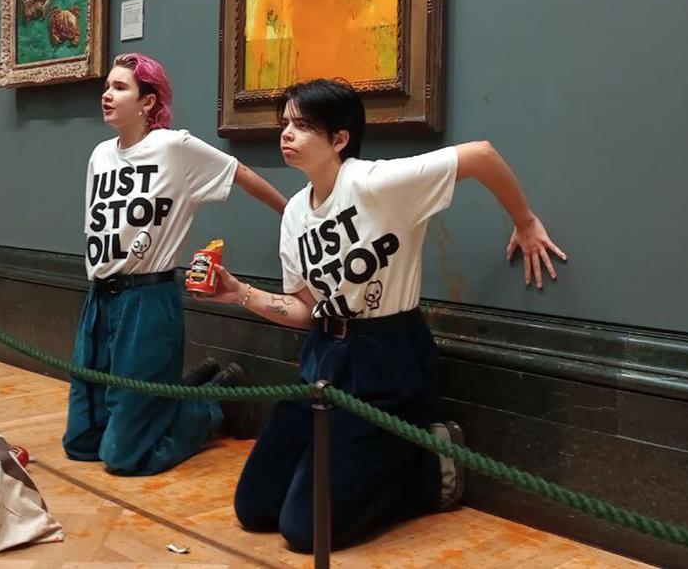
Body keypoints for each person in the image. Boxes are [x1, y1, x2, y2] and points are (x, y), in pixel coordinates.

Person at [212, 78, 566, 550]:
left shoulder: (376, 183)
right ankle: (354, 464)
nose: (286, 134)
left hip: (386, 362)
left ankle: (429, 460)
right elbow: (304, 308)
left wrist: (525, 222)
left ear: (339, 139)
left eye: (301, 125)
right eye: (285, 124)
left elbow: (481, 154)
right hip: (323, 361)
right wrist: (240, 293)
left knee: (304, 531)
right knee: (254, 509)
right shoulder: (296, 212)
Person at [62, 53, 286, 475]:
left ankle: (216, 404)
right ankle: (181, 392)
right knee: (81, 445)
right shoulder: (99, 156)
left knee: (125, 459)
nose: (107, 95)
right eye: (107, 87)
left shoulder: (173, 147)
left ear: (148, 101)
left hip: (146, 300)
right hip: (99, 299)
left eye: (120, 87)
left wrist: (292, 214)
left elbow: (239, 173)